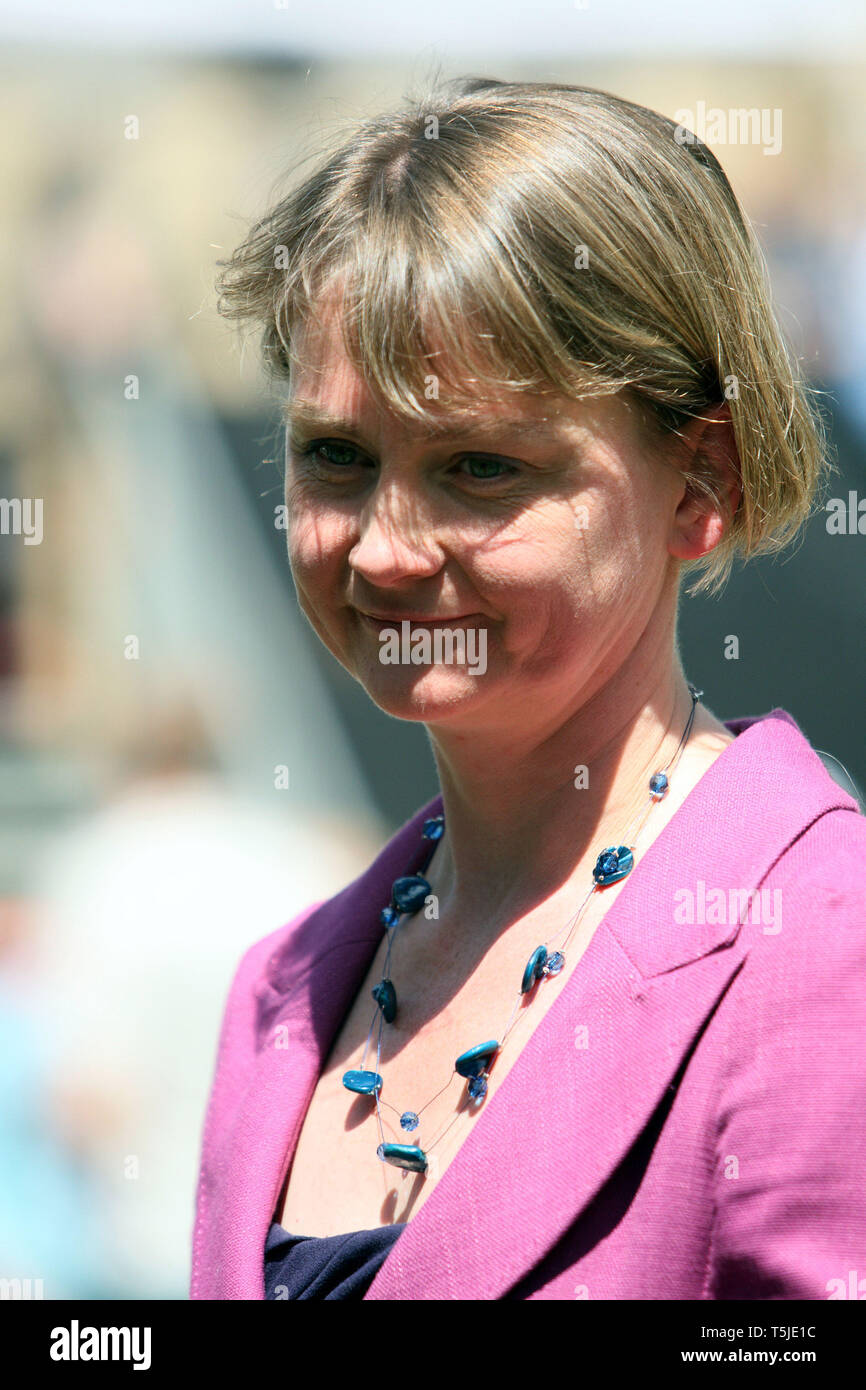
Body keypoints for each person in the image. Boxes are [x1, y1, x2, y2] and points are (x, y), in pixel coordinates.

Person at [190, 78, 866, 1300]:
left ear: (696, 481)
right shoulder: (278, 992)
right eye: (336, 456)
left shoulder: (821, 948)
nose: (384, 548)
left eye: (480, 468)